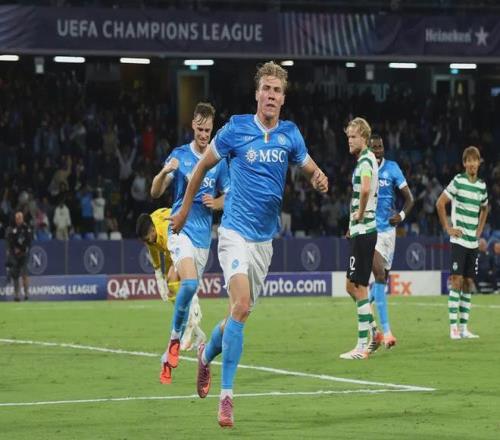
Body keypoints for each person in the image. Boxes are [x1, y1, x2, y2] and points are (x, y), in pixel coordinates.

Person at [170, 61, 328, 428]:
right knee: (240, 304)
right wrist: (184, 210)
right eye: (266, 89)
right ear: (257, 94)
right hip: (234, 234)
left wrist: (319, 178)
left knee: (237, 316)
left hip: (263, 242)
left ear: (283, 98)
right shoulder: (236, 129)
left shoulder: (290, 134)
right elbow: (201, 168)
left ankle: (205, 355)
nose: (271, 95)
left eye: (277, 90)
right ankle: (226, 399)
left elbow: (310, 168)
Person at [150, 102, 229, 385]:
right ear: (193, 126)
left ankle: (172, 348)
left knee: (186, 286)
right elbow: (155, 191)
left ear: (212, 129)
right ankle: (174, 342)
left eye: (208, 130)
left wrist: (216, 203)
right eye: (200, 129)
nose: (204, 134)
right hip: (179, 229)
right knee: (190, 283)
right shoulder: (180, 155)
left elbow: (229, 196)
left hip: (202, 239)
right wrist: (163, 173)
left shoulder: (218, 161)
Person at [436, 146, 489, 339]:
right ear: (464, 163)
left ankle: (464, 328)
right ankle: (453, 328)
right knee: (457, 280)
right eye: (469, 160)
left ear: (479, 163)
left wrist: (480, 230)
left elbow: (485, 208)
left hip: (472, 243)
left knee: (468, 282)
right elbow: (440, 203)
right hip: (459, 241)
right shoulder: (458, 181)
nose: (472, 164)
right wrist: (448, 228)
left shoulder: (482, 186)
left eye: (475, 160)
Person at [135, 208, 205, 352]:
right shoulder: (150, 234)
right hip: (171, 250)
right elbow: (153, 250)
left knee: (177, 279)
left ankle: (192, 318)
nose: (147, 242)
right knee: (172, 290)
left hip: (187, 237)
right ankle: (198, 333)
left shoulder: (166, 231)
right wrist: (159, 277)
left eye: (147, 239)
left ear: (153, 230)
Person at [340, 118, 381, 360]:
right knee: (351, 286)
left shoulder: (365, 160)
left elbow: (365, 189)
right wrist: (352, 224)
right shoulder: (365, 160)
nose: (350, 140)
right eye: (348, 136)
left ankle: (362, 346)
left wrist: (360, 213)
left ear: (364, 138)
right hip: (360, 230)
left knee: (360, 287)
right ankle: (374, 331)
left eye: (353, 136)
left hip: (365, 230)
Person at [368, 134, 414, 349]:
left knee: (382, 279)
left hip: (389, 232)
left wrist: (401, 216)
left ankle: (366, 307)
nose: (378, 150)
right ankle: (386, 332)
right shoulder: (363, 168)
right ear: (368, 149)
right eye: (374, 147)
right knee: (378, 275)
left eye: (380, 146)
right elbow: (355, 198)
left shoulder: (393, 168)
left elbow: (410, 199)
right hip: (370, 230)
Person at [5, 211, 33, 301]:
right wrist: (13, 250)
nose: (18, 220)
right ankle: (16, 295)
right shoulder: (13, 229)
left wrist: (21, 249)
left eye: (19, 218)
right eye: (16, 218)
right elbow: (10, 241)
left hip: (24, 254)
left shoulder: (26, 228)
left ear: (22, 218)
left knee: (24, 274)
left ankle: (26, 294)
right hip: (15, 256)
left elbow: (28, 241)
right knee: (15, 276)